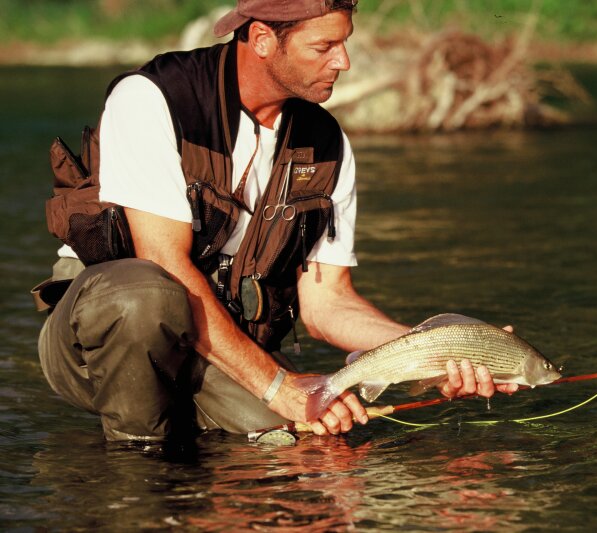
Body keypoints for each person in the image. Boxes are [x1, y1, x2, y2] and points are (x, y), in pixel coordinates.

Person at [36, 0, 518, 442]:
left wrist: (443, 353)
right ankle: (136, 469)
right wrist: (278, 385)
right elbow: (165, 265)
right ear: (263, 39)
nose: (343, 61)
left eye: (344, 42)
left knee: (316, 446)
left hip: (222, 344)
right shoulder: (153, 98)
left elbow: (328, 304)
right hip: (97, 342)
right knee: (145, 294)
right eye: (324, 46)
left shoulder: (327, 143)